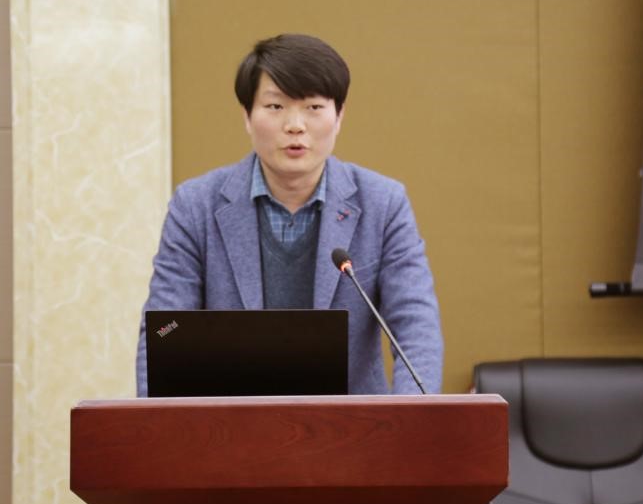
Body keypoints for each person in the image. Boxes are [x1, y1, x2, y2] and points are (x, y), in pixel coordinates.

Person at [137, 33, 443, 396]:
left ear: (339, 116)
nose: (295, 125)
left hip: (354, 423)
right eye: (275, 106)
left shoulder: (383, 204)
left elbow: (415, 328)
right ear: (247, 116)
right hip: (232, 421)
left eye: (313, 107)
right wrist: (162, 421)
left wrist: (409, 420)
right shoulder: (195, 206)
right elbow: (164, 329)